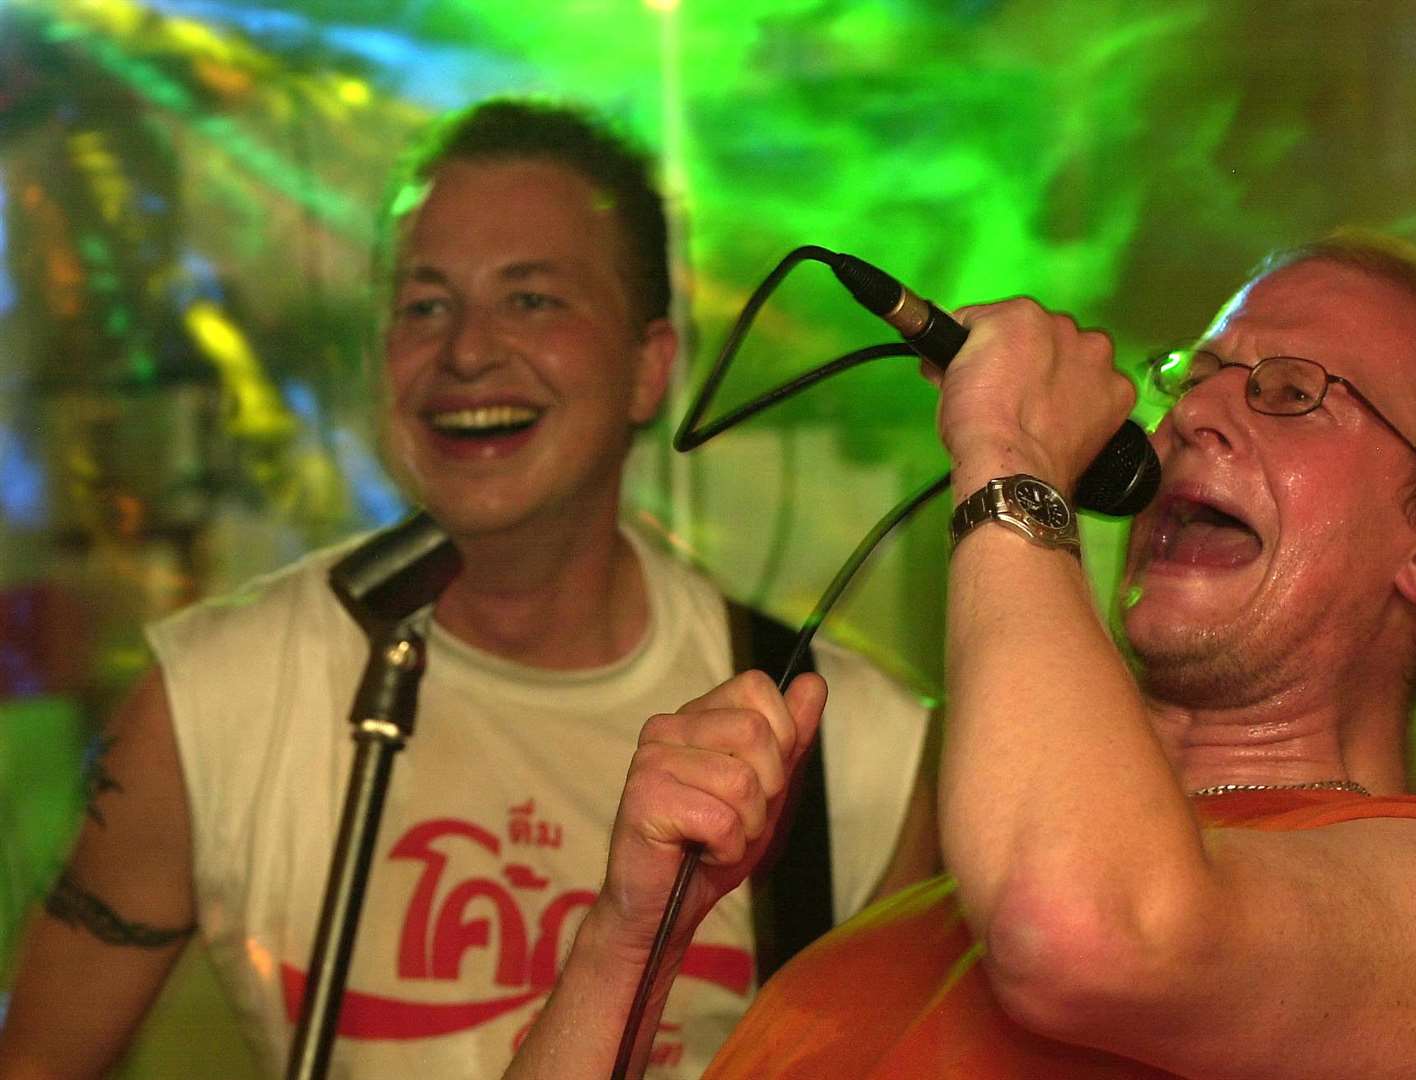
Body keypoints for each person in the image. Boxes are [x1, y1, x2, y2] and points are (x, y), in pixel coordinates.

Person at [0, 99, 937, 1079]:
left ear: (647, 368)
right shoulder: (211, 699)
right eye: (423, 305)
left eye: (531, 299)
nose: (466, 352)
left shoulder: (841, 744)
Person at [504, 232, 1416, 1079]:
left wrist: (1007, 453)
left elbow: (1087, 930)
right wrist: (627, 936)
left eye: (1288, 391)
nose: (1192, 413)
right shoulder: (926, 914)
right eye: (1193, 378)